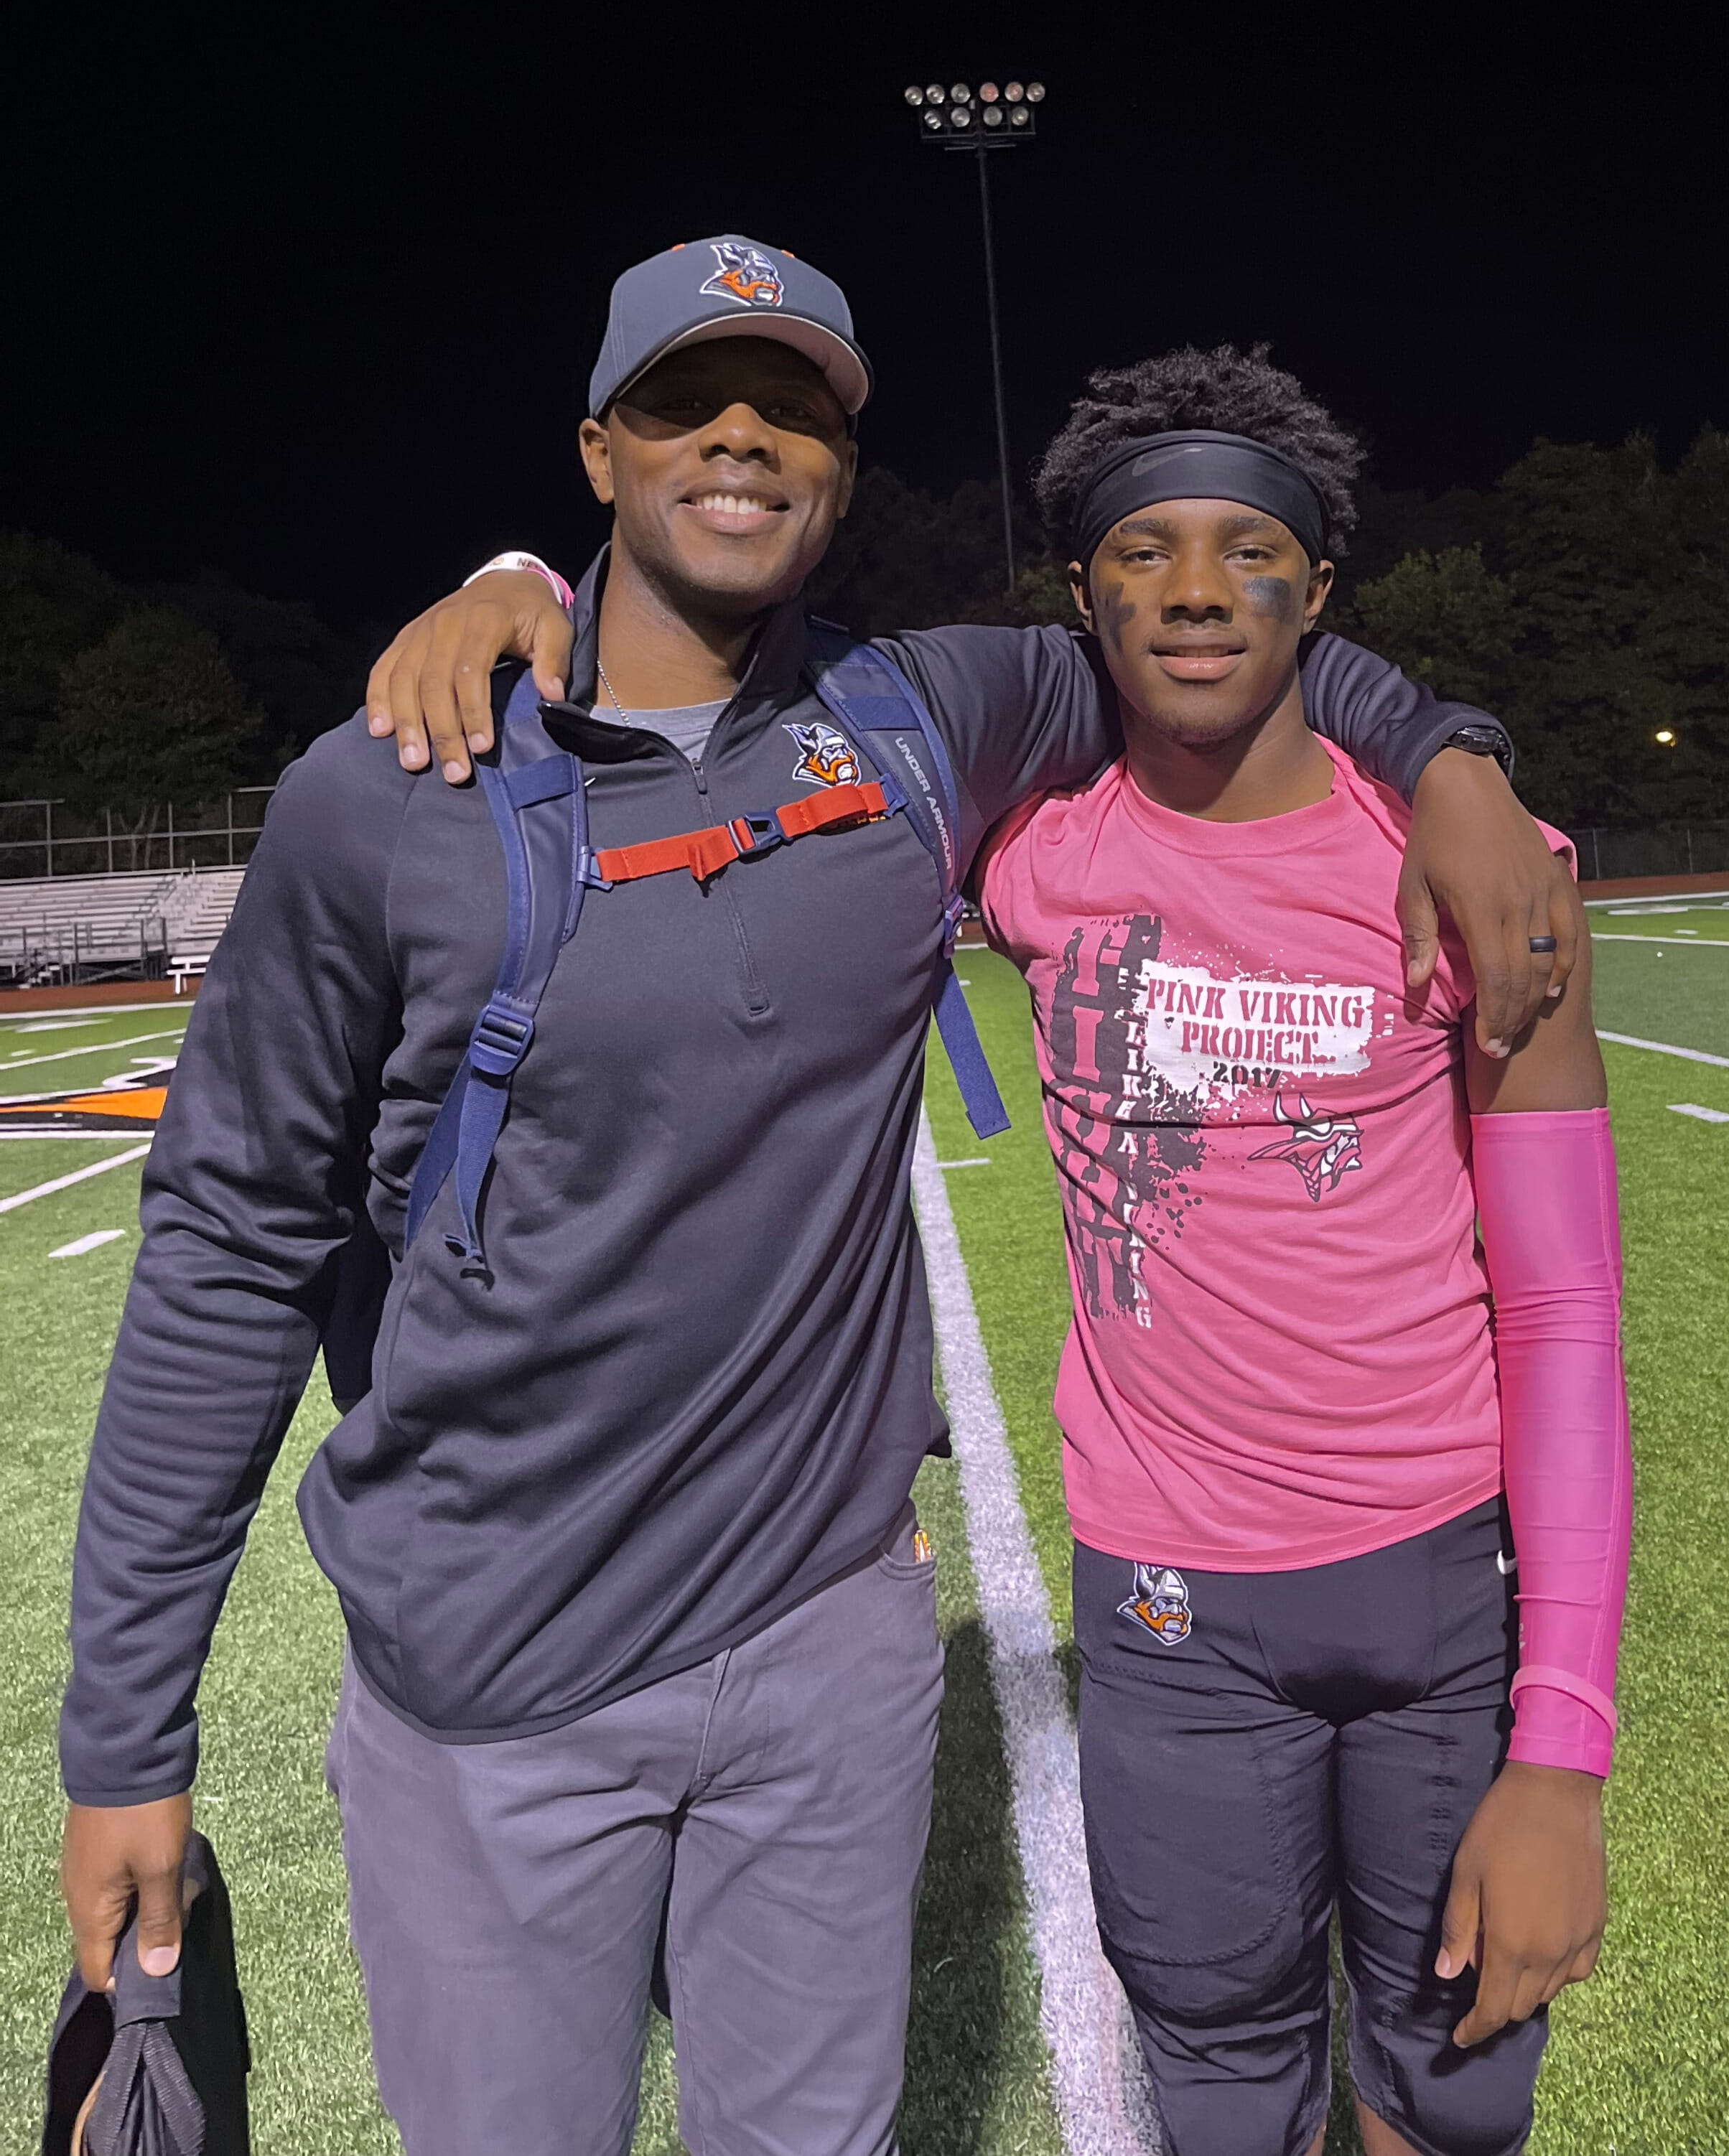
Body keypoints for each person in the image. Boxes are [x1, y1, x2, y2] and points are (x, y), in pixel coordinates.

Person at [60, 238, 1580, 2156]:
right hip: (494, 1689)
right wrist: (126, 1736)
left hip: (828, 1654)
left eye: (792, 411)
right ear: (597, 450)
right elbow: (224, 1245)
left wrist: (1448, 753)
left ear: (842, 479)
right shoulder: (385, 791)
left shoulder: (927, 719)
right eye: (690, 403)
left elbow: (1217, 617)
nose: (744, 441)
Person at [968, 348, 1629, 2156]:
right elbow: (734, 705)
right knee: (1223, 2077)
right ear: (1084, 587)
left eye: (1248, 547)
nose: (1194, 590)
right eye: (1144, 551)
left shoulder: (1489, 875)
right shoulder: (1027, 847)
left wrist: (1563, 1747)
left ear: (1320, 589)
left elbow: (1566, 1313)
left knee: (1454, 2094)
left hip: (1442, 1597)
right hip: (1171, 1612)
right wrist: (519, 580)